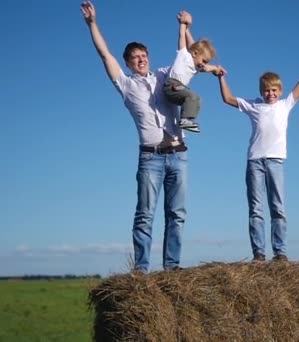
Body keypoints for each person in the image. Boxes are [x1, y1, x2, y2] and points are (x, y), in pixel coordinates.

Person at [80, 1, 194, 272]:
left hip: (179, 155)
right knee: (145, 215)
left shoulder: (166, 76)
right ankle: (142, 270)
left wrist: (187, 26)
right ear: (128, 64)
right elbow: (104, 54)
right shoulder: (126, 85)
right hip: (151, 157)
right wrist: (92, 24)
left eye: (144, 55)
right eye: (135, 57)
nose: (141, 59)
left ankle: (172, 268)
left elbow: (191, 55)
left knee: (177, 215)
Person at [214, 50, 299, 262]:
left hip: (276, 161)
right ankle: (259, 254)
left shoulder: (285, 105)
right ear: (261, 91)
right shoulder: (254, 105)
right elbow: (228, 99)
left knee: (277, 207)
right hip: (255, 161)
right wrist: (221, 77)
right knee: (256, 208)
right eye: (266, 90)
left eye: (273, 90)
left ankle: (280, 252)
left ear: (279, 91)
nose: (270, 93)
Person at [163, 16, 225, 133]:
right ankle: (185, 120)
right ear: (195, 53)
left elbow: (206, 68)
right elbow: (182, 38)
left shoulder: (197, 67)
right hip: (172, 85)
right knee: (193, 96)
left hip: (178, 90)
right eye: (204, 60)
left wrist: (216, 69)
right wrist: (182, 25)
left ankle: (187, 120)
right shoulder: (184, 56)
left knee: (197, 100)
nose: (204, 64)